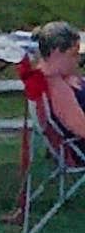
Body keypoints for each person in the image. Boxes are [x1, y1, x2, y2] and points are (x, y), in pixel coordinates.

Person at [31, 23, 85, 154]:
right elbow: (81, 128)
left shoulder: (50, 76)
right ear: (56, 52)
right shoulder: (57, 88)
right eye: (73, 54)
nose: (78, 61)